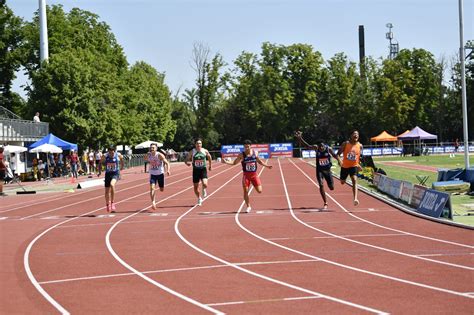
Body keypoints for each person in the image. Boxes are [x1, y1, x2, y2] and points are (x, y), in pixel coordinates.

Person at [221, 139, 273, 213]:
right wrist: (226, 162)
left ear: (250, 146)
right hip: (246, 176)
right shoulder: (241, 155)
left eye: (248, 147)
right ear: (244, 147)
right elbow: (234, 163)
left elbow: (259, 161)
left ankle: (253, 184)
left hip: (254, 175)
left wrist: (267, 166)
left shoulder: (255, 153)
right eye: (245, 147)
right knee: (245, 191)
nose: (247, 148)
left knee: (259, 191)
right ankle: (248, 206)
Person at [295, 131, 342, 210]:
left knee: (331, 188)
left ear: (324, 145)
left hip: (327, 170)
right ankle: (325, 202)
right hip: (319, 170)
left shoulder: (328, 149)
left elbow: (334, 155)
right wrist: (300, 138)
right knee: (321, 185)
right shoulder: (316, 148)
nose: (321, 148)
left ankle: (330, 184)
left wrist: (339, 160)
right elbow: (307, 146)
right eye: (320, 147)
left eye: (322, 146)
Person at [337, 130, 363, 206]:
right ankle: (343, 179)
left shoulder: (360, 145)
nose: (356, 135)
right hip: (344, 166)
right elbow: (337, 154)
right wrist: (339, 161)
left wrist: (359, 164)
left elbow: (359, 157)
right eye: (354, 134)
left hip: (353, 166)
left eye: (357, 134)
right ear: (351, 135)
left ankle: (355, 198)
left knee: (354, 180)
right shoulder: (345, 144)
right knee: (342, 182)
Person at [185, 139, 212, 206]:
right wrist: (187, 163)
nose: (198, 145)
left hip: (203, 169)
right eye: (197, 143)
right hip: (195, 171)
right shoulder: (192, 151)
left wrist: (210, 166)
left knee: (205, 184)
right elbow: (186, 159)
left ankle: (204, 189)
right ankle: (199, 198)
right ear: (195, 144)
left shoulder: (204, 151)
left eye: (200, 143)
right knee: (195, 188)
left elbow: (209, 157)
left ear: (201, 144)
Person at [144, 143, 170, 210]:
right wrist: (146, 155)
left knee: (161, 189)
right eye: (151, 147)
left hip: (160, 174)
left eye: (153, 147)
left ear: (156, 148)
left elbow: (167, 163)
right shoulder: (149, 155)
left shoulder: (159, 155)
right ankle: (153, 202)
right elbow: (145, 159)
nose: (152, 149)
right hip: (153, 174)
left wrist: (168, 170)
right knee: (152, 188)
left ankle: (161, 186)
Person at [101, 146, 124, 213]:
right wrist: (100, 169)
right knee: (106, 192)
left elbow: (122, 160)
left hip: (115, 173)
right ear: (108, 152)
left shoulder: (118, 155)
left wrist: (122, 166)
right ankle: (107, 204)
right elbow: (100, 162)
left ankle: (112, 202)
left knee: (112, 184)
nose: (111, 154)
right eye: (110, 153)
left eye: (112, 153)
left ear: (114, 151)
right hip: (107, 174)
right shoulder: (105, 156)